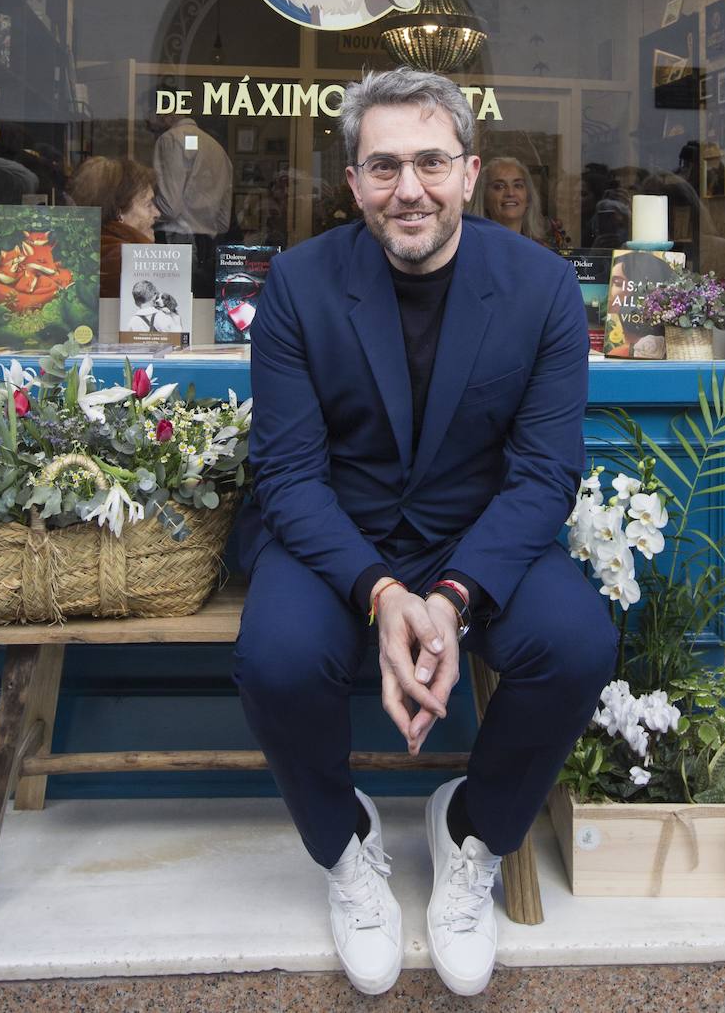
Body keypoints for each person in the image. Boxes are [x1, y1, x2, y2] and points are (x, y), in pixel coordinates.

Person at [233, 68, 617, 998]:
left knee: (577, 644)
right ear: (355, 180)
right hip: (339, 539)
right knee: (276, 657)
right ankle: (345, 844)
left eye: (431, 162)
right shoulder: (299, 284)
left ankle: (472, 832)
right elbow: (287, 472)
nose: (410, 188)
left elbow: (543, 475)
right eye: (384, 166)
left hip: (480, 539)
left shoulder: (539, 287)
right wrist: (382, 591)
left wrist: (450, 596)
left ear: (470, 171)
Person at [148, 110, 233, 295]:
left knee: (171, 309)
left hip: (174, 241)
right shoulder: (218, 149)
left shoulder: (170, 140)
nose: (149, 121)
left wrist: (142, 214)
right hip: (209, 244)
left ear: (169, 115)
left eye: (153, 114)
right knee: (201, 310)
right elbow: (223, 222)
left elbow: (170, 207)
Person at [67, 156, 158, 297]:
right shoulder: (127, 263)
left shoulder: (77, 253)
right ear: (119, 212)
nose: (157, 213)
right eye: (148, 204)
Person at [472, 155, 571, 251]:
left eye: (518, 185)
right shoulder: (471, 249)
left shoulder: (542, 252)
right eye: (499, 186)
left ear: (528, 198)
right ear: (484, 199)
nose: (510, 193)